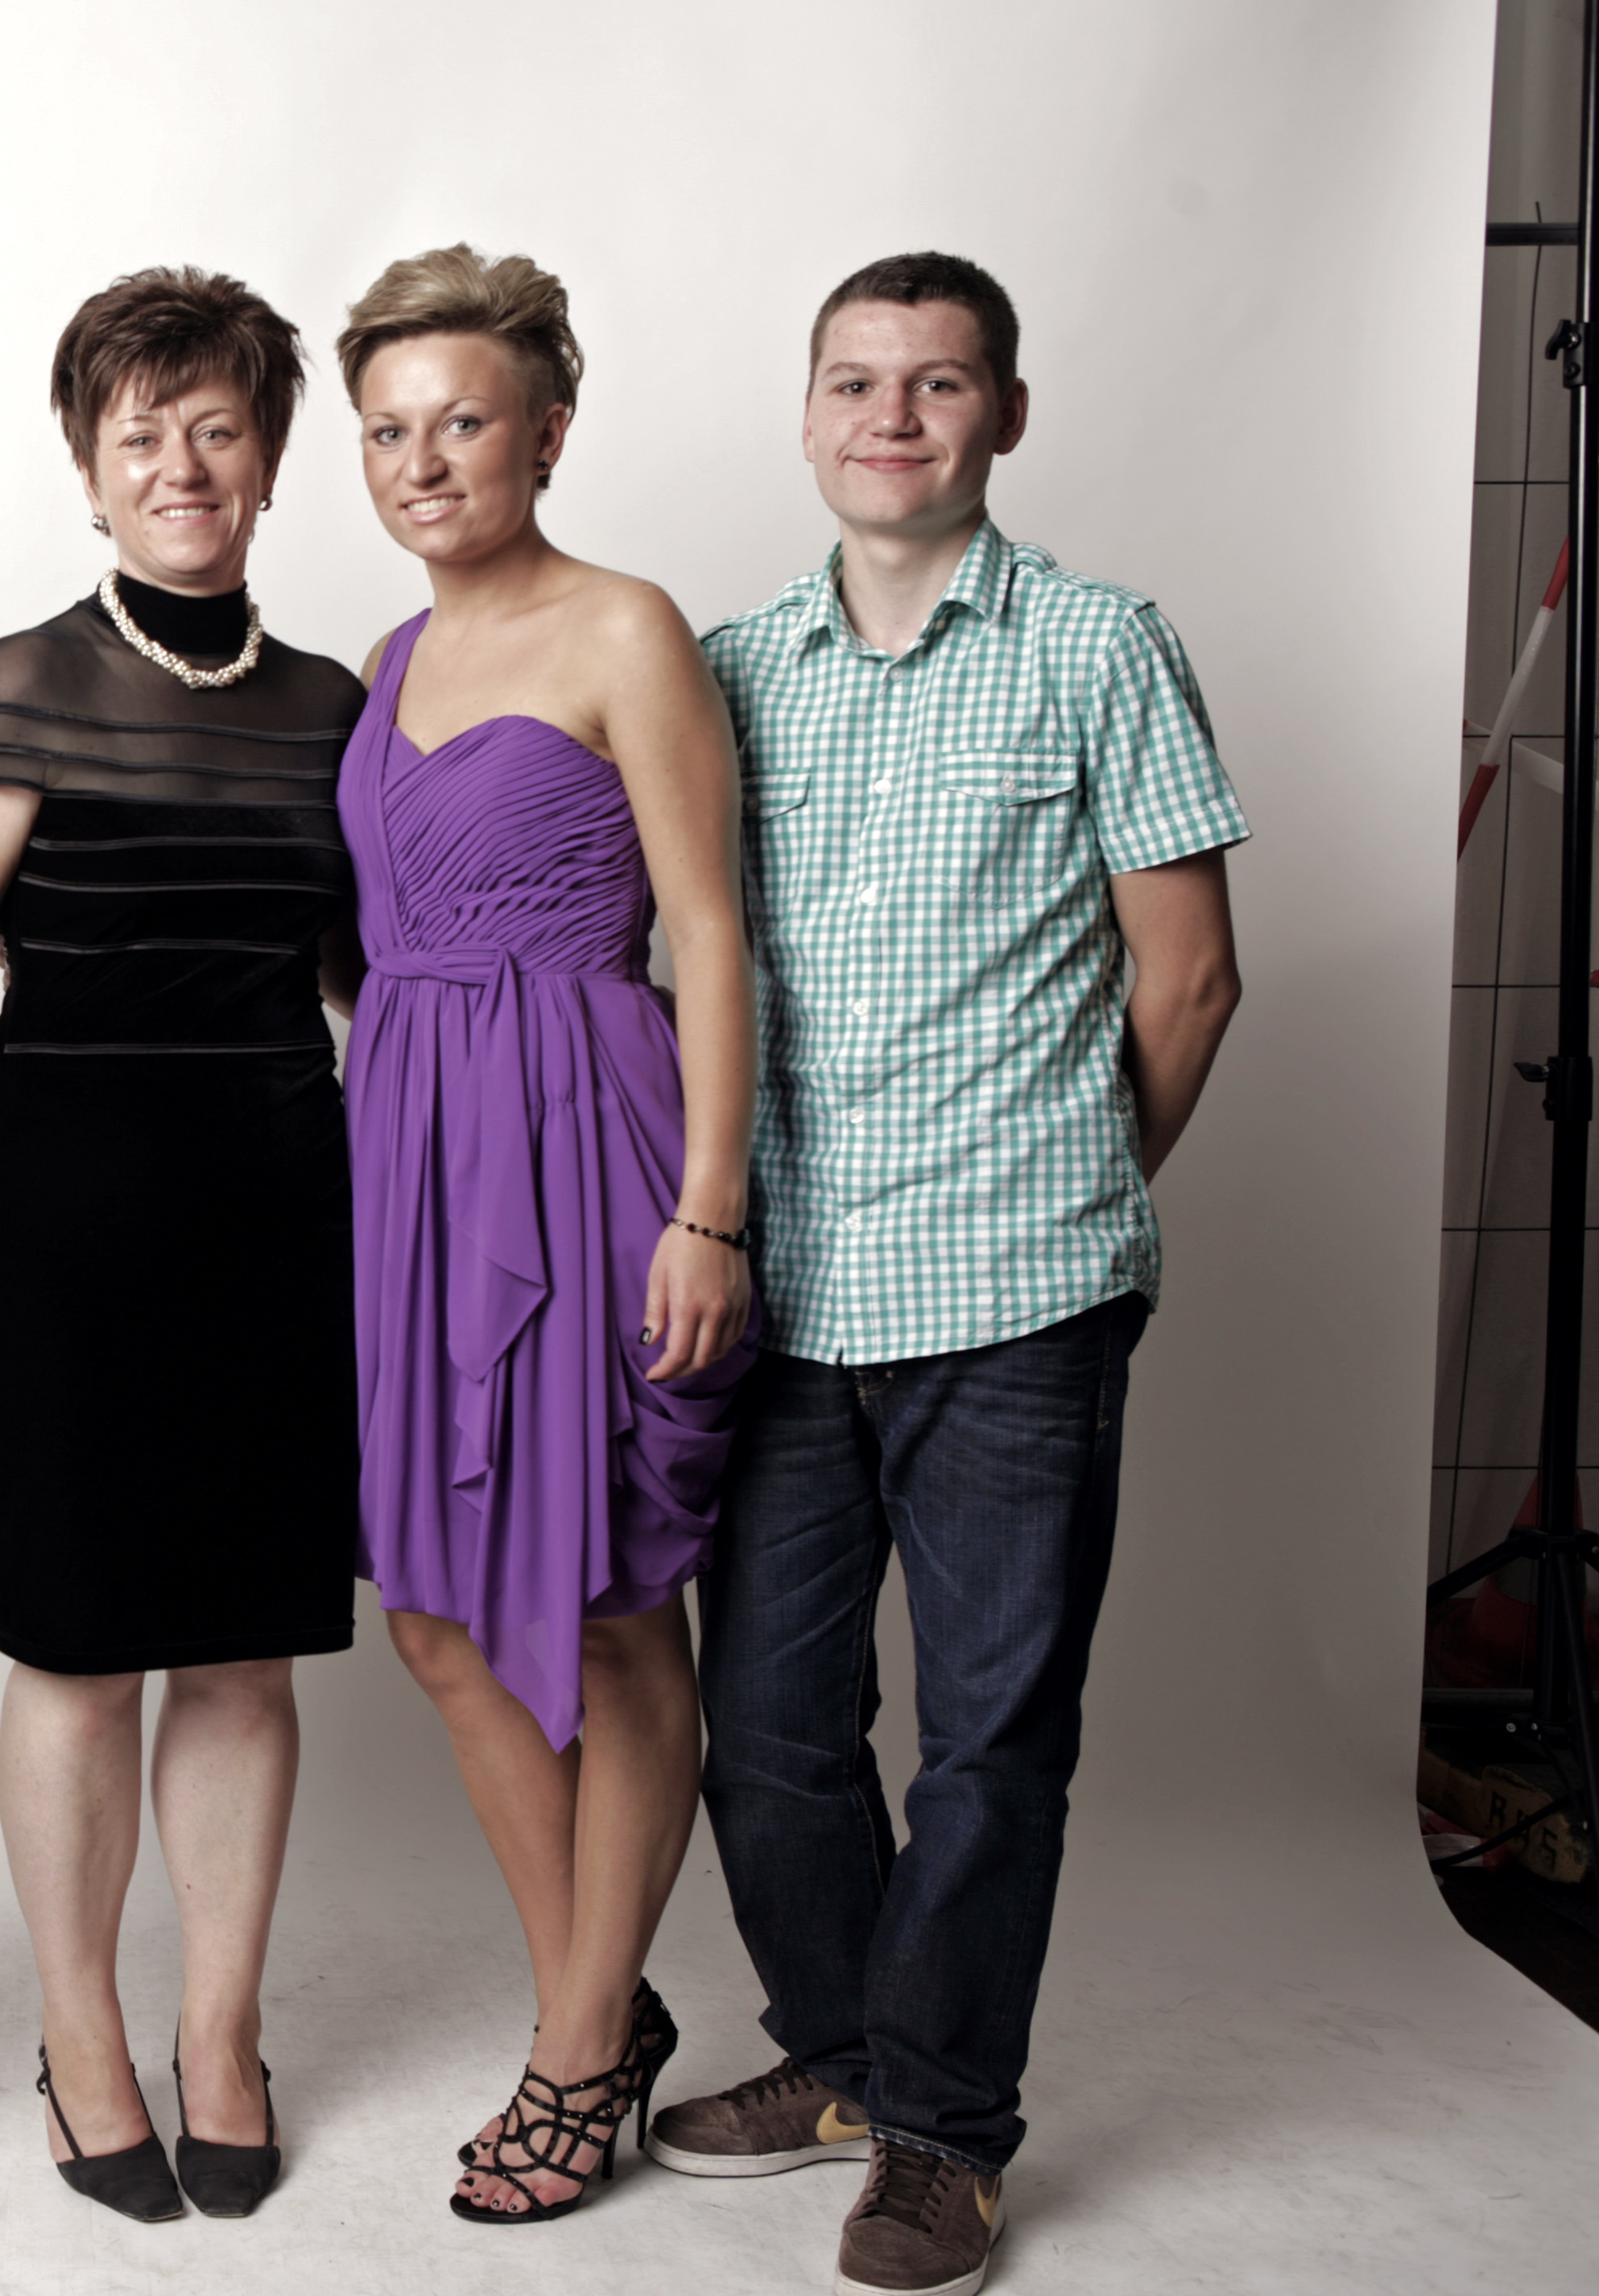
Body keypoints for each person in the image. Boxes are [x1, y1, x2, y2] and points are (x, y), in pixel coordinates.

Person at [648, 252, 1244, 2296]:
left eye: (937, 382)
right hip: (786, 1290)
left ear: (1005, 413)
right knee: (769, 1731)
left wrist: (1069, 1187)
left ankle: (944, 2132)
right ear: (807, 414)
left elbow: (1189, 977)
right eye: (855, 382)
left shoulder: (1099, 644)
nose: (891, 417)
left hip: (1021, 1298)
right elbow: (681, 964)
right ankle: (841, 2056)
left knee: (990, 1744)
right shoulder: (728, 669)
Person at [0, 267, 362, 2228]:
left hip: (285, 1212)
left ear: (270, 461)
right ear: (87, 469)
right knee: (78, 1651)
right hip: (61, 1221)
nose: (180, 464)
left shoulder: (335, 708)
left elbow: (368, 986)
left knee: (244, 1649)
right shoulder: (16, 686)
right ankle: (80, 2031)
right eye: (139, 432)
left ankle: (221, 2030)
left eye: (217, 427)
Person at [332, 245, 758, 2225]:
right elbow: (373, 943)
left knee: (607, 1593)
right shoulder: (384, 661)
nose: (423, 462)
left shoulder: (627, 627)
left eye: (463, 422)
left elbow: (710, 933)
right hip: (413, 1155)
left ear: (549, 432)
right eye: (387, 431)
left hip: (589, 1142)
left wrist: (708, 1208)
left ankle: (577, 2049)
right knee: (432, 1611)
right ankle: (600, 1997)